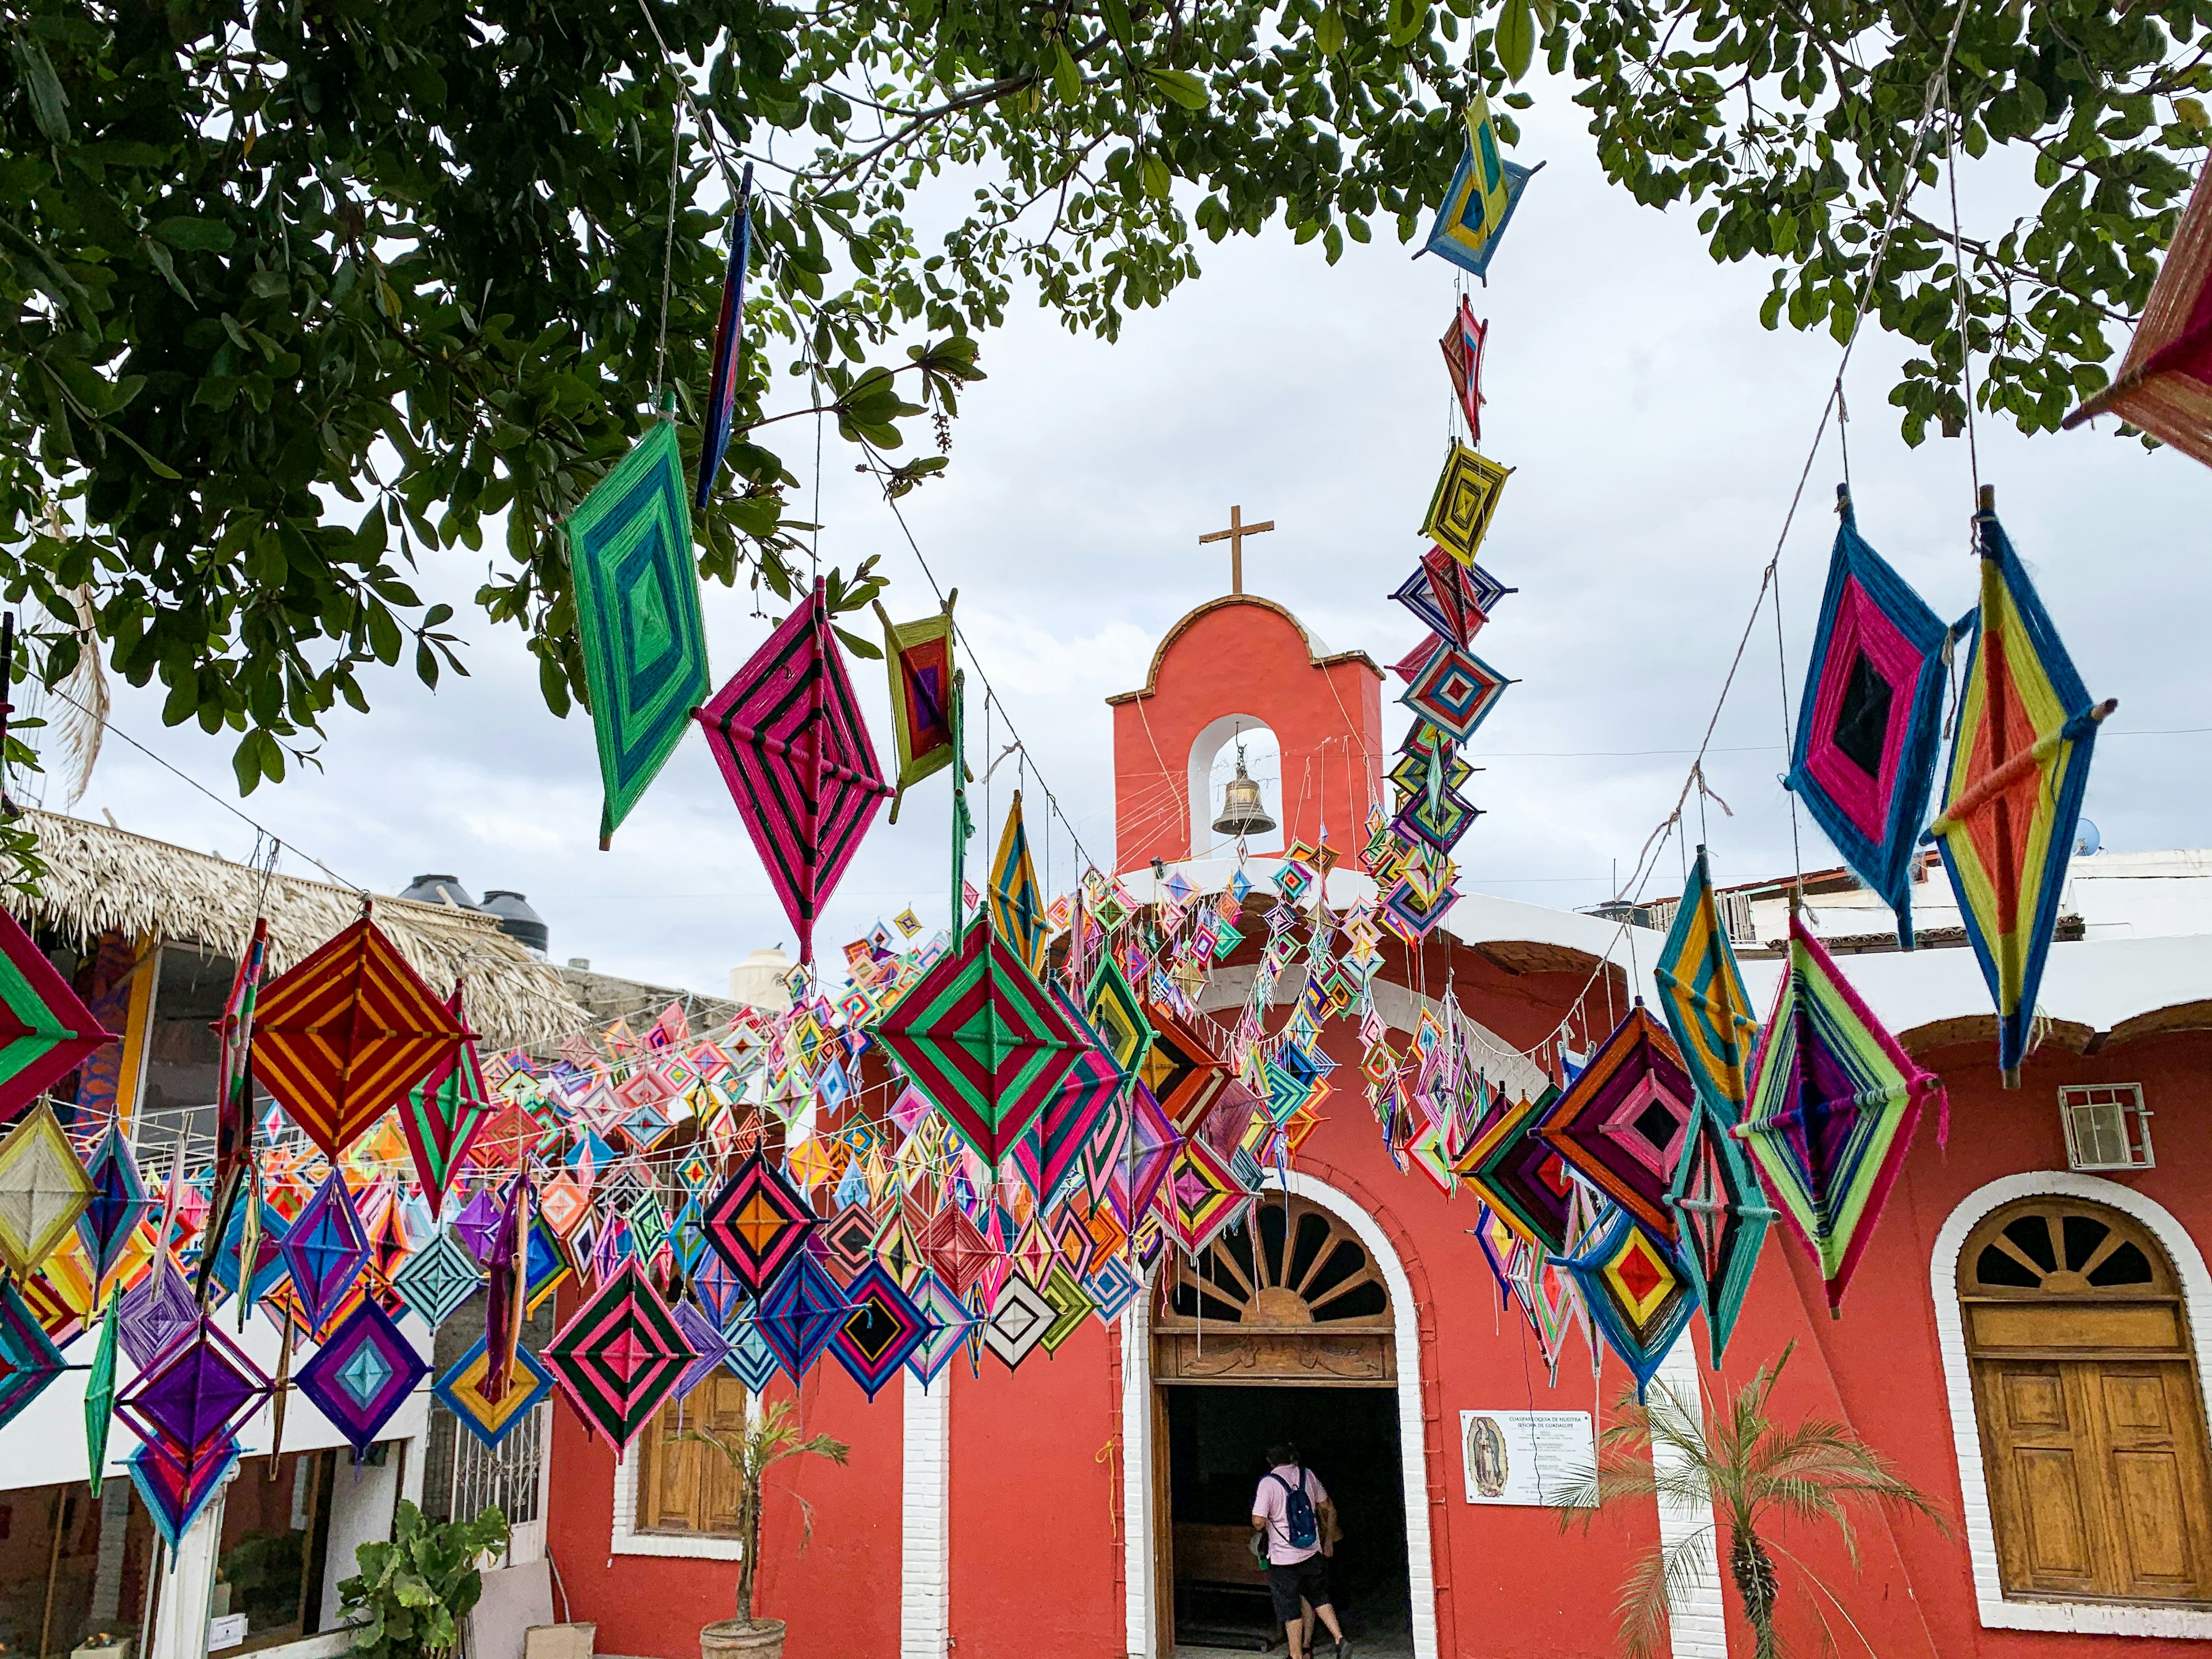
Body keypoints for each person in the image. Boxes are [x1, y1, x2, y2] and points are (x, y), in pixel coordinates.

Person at [1251, 1441, 1348, 1659]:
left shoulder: (1269, 1483)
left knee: (1290, 1609)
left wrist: (1267, 1524)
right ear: (1292, 1457)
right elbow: (1326, 1505)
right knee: (1319, 1597)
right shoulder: (1308, 1475)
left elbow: (1258, 1521)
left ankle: (1296, 1656)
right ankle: (1340, 1638)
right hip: (1311, 1551)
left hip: (1283, 1558)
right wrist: (1329, 1540)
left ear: (1270, 1461)